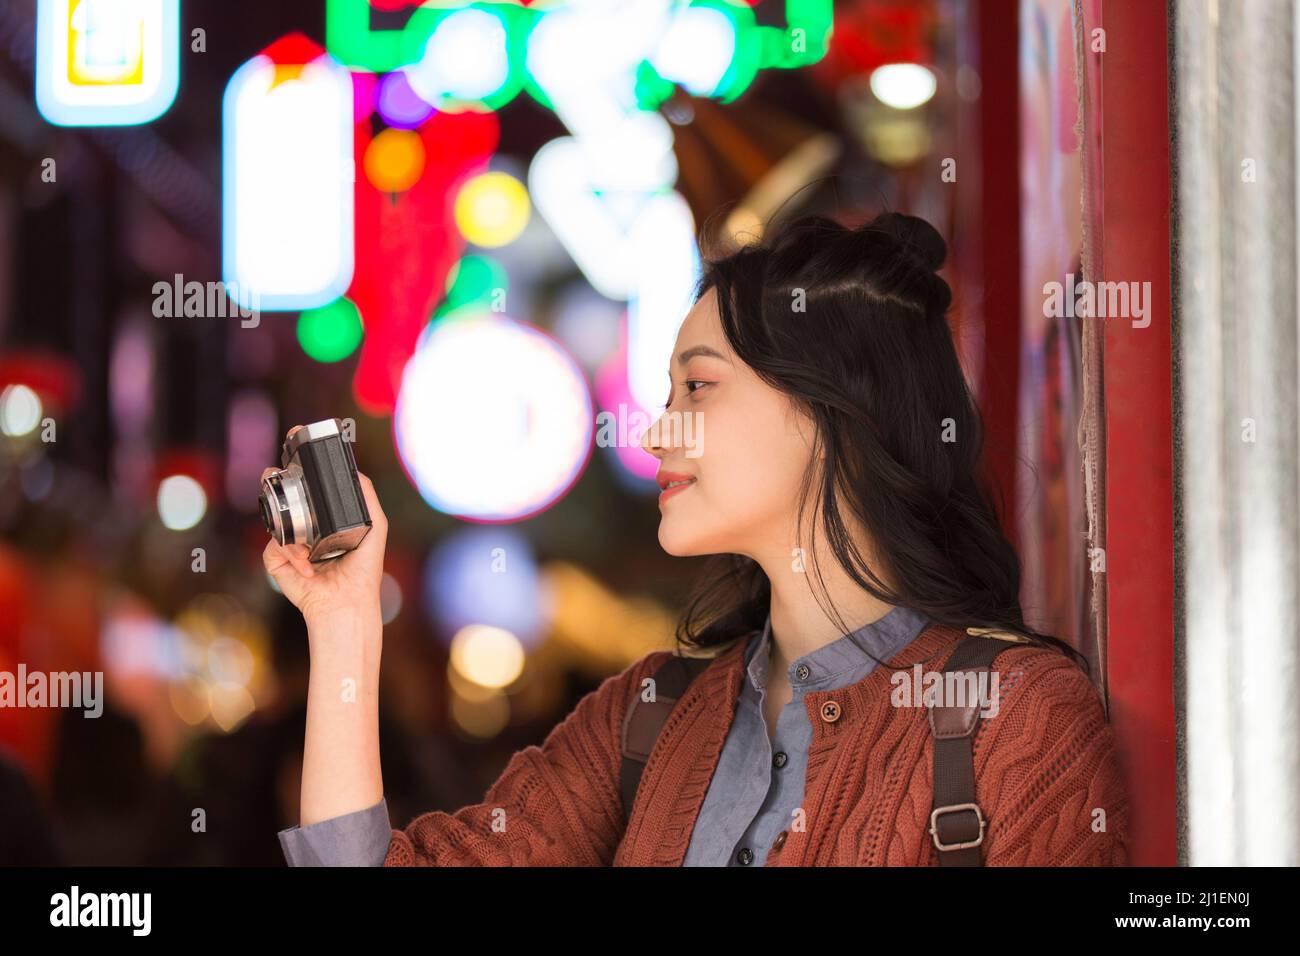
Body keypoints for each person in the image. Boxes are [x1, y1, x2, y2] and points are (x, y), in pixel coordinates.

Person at [272, 210, 1129, 867]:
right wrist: (344, 623)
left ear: (830, 414)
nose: (655, 434)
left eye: (698, 389)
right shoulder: (648, 716)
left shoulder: (1015, 721)